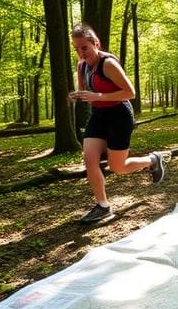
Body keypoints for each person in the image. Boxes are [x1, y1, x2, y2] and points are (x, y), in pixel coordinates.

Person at [68, 24, 166, 223]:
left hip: (119, 115)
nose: (81, 53)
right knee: (89, 159)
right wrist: (77, 96)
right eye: (76, 49)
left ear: (96, 44)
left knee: (118, 168)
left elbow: (130, 93)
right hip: (98, 115)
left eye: (84, 48)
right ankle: (103, 206)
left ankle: (153, 160)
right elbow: (85, 90)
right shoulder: (82, 65)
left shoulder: (108, 64)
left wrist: (98, 95)